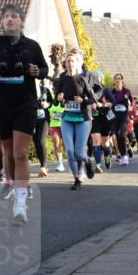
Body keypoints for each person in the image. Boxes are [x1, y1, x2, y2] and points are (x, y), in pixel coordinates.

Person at [0, 3, 49, 224]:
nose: (9, 20)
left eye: (14, 16)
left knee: (21, 153)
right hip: (3, 104)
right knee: (8, 151)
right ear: (2, 21)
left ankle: (21, 202)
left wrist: (37, 71)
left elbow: (44, 69)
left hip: (26, 104)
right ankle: (14, 185)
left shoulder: (32, 46)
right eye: (6, 16)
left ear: (21, 21)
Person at [56, 49, 95, 190]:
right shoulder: (61, 79)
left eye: (72, 61)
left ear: (76, 63)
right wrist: (59, 98)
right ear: (65, 64)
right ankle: (77, 178)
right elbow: (57, 100)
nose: (70, 63)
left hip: (83, 119)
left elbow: (92, 99)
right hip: (67, 118)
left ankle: (88, 162)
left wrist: (83, 100)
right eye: (68, 61)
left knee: (79, 152)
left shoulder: (81, 79)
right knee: (70, 152)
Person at [34, 78, 55, 177]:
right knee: (36, 143)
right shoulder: (28, 91)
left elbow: (52, 102)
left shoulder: (45, 90)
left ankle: (43, 166)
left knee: (41, 141)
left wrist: (47, 104)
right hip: (32, 120)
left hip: (44, 120)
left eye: (37, 80)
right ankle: (42, 165)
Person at [47, 91, 65, 172]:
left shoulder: (67, 100)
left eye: (62, 94)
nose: (60, 96)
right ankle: (60, 163)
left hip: (65, 125)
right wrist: (51, 115)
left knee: (67, 145)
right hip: (54, 125)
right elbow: (47, 110)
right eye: (59, 94)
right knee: (57, 144)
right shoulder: (52, 100)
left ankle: (73, 162)